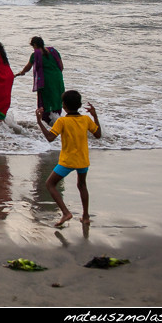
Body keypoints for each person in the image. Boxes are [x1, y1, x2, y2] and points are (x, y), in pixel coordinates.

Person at [35, 90, 102, 227]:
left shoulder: (63, 121)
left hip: (67, 161)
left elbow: (50, 138)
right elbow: (98, 135)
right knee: (82, 185)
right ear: (79, 105)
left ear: (64, 106)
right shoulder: (85, 119)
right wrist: (95, 116)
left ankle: (66, 212)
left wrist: (39, 122)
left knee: (50, 184)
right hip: (83, 160)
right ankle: (86, 216)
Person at [15, 36, 65, 123]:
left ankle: (46, 121)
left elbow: (28, 67)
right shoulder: (53, 51)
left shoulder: (35, 55)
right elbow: (61, 66)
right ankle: (57, 118)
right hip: (58, 78)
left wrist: (21, 72)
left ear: (34, 45)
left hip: (45, 81)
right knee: (57, 97)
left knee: (45, 100)